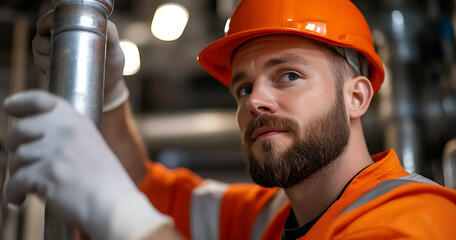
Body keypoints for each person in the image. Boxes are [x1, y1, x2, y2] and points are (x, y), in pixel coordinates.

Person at [4, 0, 456, 239]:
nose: (255, 99)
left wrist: (123, 217)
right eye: (243, 87)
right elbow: (144, 186)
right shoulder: (274, 219)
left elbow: (134, 205)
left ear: (356, 96)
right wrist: (108, 93)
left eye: (289, 75)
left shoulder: (414, 223)